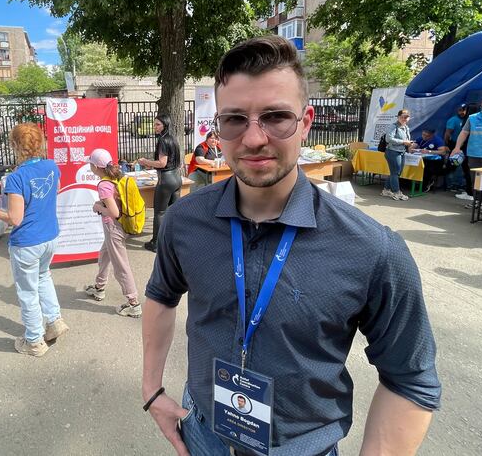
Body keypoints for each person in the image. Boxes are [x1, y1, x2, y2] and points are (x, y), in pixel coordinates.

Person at [142, 36, 440, 456]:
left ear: (305, 121)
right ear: (218, 127)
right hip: (202, 432)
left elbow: (410, 378)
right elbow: (161, 294)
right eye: (234, 119)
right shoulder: (185, 220)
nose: (254, 138)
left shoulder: (372, 249)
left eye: (276, 116)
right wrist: (152, 390)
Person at [0, 123, 68, 357]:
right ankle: (54, 321)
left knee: (27, 291)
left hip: (27, 242)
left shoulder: (16, 177)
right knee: (43, 277)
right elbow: (55, 190)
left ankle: (34, 341)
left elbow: (15, 218)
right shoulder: (51, 166)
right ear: (39, 142)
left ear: (15, 145)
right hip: (49, 236)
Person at [84, 148, 141, 317]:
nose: (90, 167)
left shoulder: (104, 185)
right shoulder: (116, 176)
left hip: (113, 228)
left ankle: (134, 303)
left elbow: (114, 212)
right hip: (120, 226)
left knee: (120, 266)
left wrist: (98, 207)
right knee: (104, 256)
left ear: (96, 167)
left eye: (90, 164)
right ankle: (99, 287)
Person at [136, 114, 182, 252]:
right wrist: (151, 164)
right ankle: (173, 241)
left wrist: (145, 161)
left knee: (160, 213)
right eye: (154, 124)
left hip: (166, 180)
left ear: (164, 125)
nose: (154, 127)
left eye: (157, 124)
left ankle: (156, 243)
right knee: (173, 212)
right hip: (176, 178)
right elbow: (174, 161)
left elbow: (162, 163)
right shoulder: (173, 138)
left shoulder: (163, 140)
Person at [381, 109, 414, 201]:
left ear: (409, 118)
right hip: (392, 152)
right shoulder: (393, 126)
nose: (404, 119)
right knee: (395, 173)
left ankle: (386, 190)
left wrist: (409, 144)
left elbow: (406, 140)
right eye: (402, 117)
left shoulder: (406, 127)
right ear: (398, 117)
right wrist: (403, 142)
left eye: (406, 117)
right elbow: (388, 139)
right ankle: (397, 193)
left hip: (401, 152)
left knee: (396, 172)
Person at [411, 128, 449, 192]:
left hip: (436, 162)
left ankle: (425, 185)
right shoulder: (420, 138)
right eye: (423, 135)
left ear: (432, 135)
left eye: (427, 136)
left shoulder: (437, 140)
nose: (424, 137)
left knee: (426, 167)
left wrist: (429, 151)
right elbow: (413, 146)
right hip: (423, 159)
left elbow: (443, 152)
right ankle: (410, 184)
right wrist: (411, 149)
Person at [443, 103, 468, 190]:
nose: (462, 112)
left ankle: (460, 184)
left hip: (465, 146)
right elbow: (447, 133)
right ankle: (451, 184)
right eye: (460, 110)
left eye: (464, 110)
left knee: (463, 166)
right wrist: (446, 145)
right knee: (453, 164)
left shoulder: (469, 120)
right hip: (454, 145)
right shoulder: (453, 120)